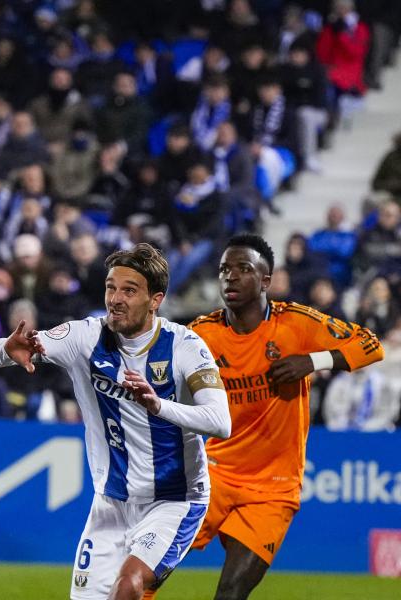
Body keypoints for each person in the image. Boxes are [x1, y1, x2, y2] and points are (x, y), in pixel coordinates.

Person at [0, 243, 231, 600]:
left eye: (129, 290)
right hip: (110, 504)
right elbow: (2, 352)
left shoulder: (186, 347)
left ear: (155, 299)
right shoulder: (84, 337)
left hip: (174, 501)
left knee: (129, 584)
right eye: (110, 287)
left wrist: (157, 405)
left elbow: (219, 421)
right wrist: (5, 351)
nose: (115, 299)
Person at [151, 235, 384, 600]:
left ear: (265, 281)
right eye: (225, 269)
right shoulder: (201, 335)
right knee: (145, 569)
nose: (231, 277)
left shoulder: (295, 322)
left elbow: (371, 344)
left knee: (230, 594)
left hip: (273, 488)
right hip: (213, 476)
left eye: (244, 269)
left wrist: (313, 361)